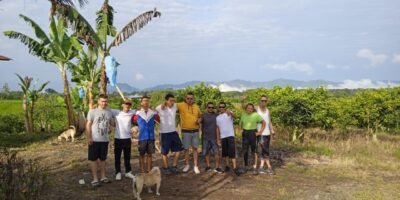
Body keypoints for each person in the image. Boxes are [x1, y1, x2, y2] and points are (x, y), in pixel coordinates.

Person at [86, 94, 115, 186]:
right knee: (93, 159)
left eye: (105, 101)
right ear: (98, 101)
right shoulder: (92, 111)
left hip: (104, 139)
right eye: (102, 101)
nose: (104, 103)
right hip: (94, 139)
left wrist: (114, 123)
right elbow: (88, 125)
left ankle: (103, 176)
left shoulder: (109, 112)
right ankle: (95, 178)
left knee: (103, 159)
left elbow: (112, 123)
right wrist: (89, 137)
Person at [156, 93, 184, 174]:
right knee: (164, 152)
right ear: (166, 101)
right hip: (164, 133)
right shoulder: (159, 108)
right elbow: (153, 113)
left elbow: (183, 103)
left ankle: (174, 166)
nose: (172, 102)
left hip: (173, 132)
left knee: (179, 149)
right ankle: (166, 167)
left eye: (173, 101)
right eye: (170, 101)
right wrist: (162, 105)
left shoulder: (175, 106)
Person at [110, 99, 136, 180]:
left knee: (127, 156)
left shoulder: (131, 112)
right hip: (118, 138)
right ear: (122, 105)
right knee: (117, 156)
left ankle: (128, 172)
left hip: (127, 138)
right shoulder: (116, 112)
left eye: (129, 104)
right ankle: (118, 172)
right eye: (125, 104)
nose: (127, 106)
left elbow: (141, 109)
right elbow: (105, 109)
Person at [176, 92, 202, 174]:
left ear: (193, 99)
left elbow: (200, 116)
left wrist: (200, 120)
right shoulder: (180, 105)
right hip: (185, 131)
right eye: (188, 98)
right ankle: (187, 165)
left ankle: (195, 166)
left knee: (195, 149)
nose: (190, 100)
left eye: (191, 98)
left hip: (195, 131)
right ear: (185, 98)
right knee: (186, 149)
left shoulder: (196, 107)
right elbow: (170, 104)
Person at [133, 95, 160, 173]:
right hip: (142, 138)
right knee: (141, 155)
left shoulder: (153, 113)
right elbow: (132, 120)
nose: (145, 102)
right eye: (144, 101)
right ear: (141, 102)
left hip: (151, 137)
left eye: (147, 100)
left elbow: (159, 119)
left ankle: (149, 170)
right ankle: (142, 170)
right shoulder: (137, 114)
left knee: (149, 154)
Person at [239, 103, 266, 175]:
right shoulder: (243, 115)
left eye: (251, 108)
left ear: (253, 109)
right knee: (245, 151)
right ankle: (245, 167)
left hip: (253, 133)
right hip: (245, 134)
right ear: (246, 108)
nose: (249, 109)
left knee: (254, 151)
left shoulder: (256, 115)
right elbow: (241, 123)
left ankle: (254, 168)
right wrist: (241, 129)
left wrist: (260, 132)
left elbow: (264, 122)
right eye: (248, 108)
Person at [216, 102, 241, 176]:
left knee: (232, 152)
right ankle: (227, 166)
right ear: (219, 108)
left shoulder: (229, 114)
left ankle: (235, 168)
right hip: (223, 137)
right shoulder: (217, 117)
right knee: (225, 153)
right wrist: (218, 138)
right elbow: (217, 128)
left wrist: (231, 113)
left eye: (223, 107)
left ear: (225, 107)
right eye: (220, 107)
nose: (221, 108)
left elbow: (235, 117)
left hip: (230, 136)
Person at [200, 102, 223, 173]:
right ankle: (208, 166)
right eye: (209, 107)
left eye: (212, 107)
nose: (211, 109)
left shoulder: (217, 115)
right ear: (207, 108)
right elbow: (200, 125)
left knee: (217, 152)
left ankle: (217, 167)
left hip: (214, 137)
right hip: (205, 137)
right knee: (206, 152)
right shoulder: (203, 115)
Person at [256, 95, 276, 175]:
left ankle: (261, 167)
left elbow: (269, 121)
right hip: (260, 133)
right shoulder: (256, 109)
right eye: (262, 100)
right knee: (265, 150)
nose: (264, 102)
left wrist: (272, 130)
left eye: (265, 101)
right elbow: (247, 111)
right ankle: (269, 167)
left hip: (267, 133)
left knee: (265, 150)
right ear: (259, 101)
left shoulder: (268, 110)